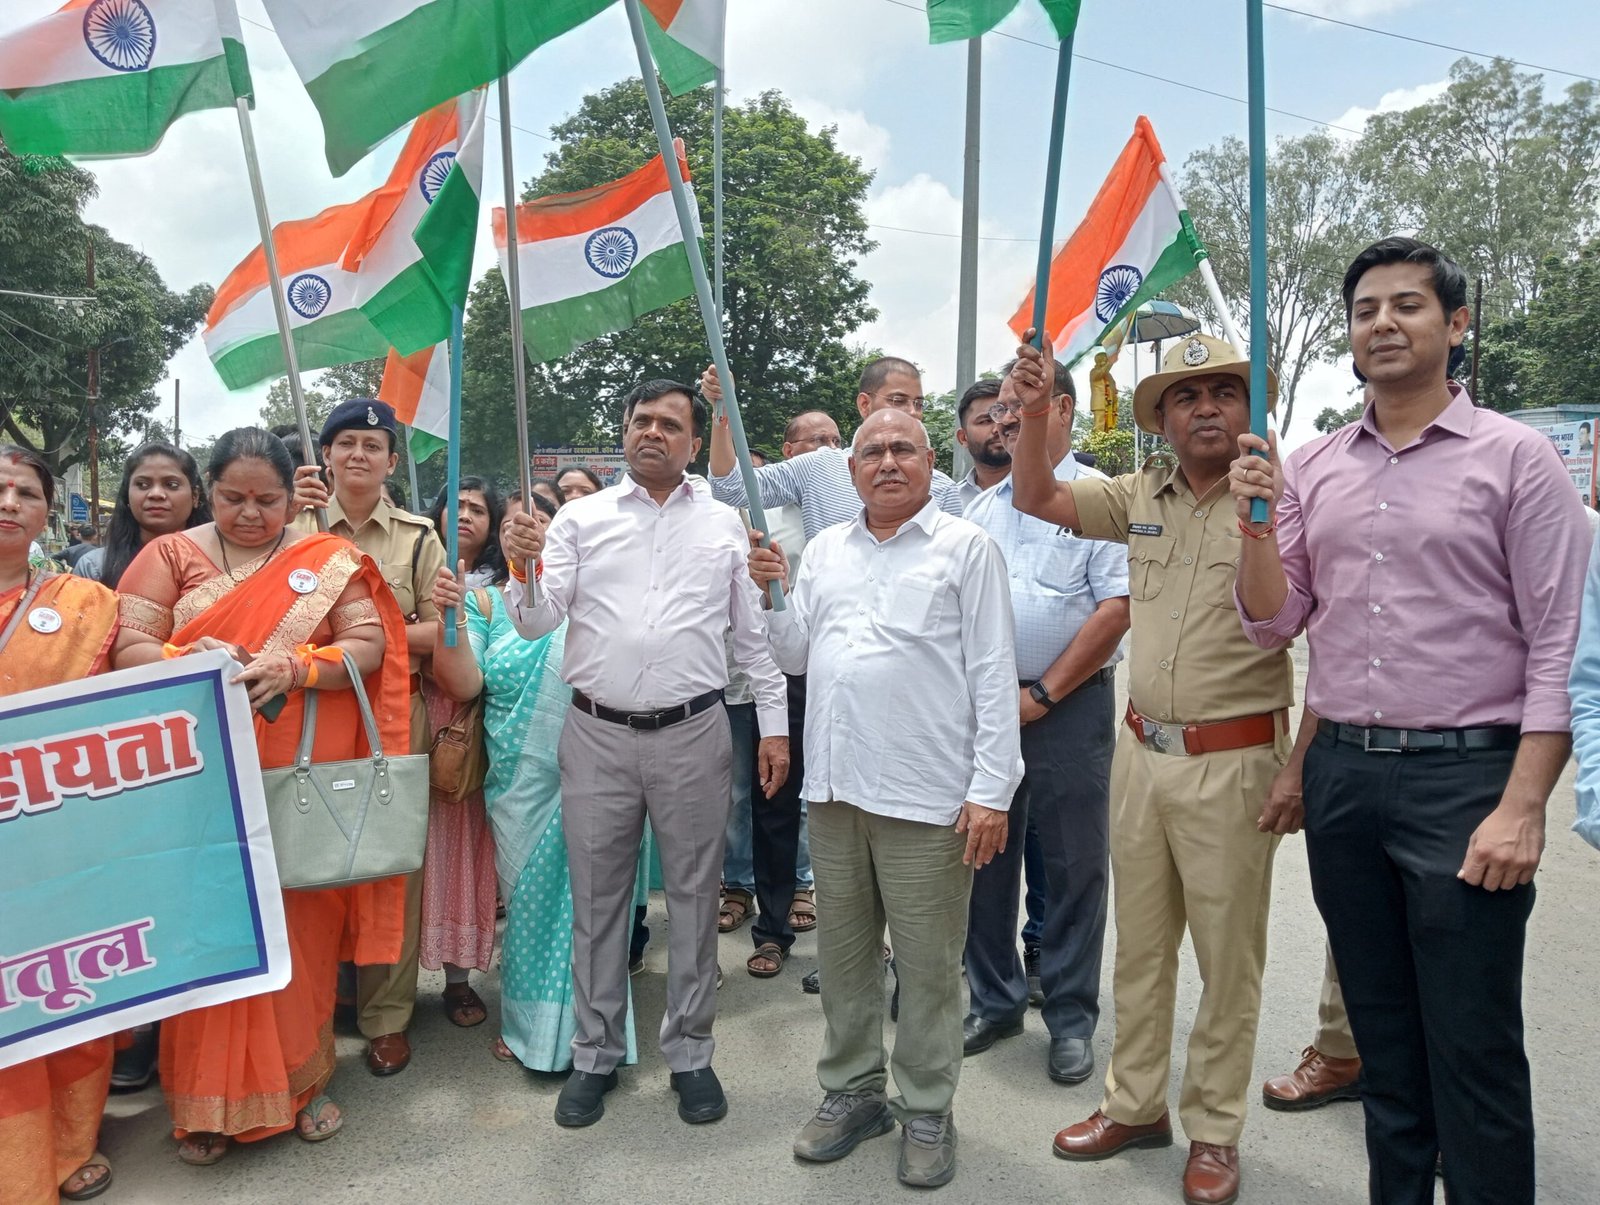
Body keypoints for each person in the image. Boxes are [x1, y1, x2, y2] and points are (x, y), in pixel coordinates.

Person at [1231, 236, 1586, 1205]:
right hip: (1347, 779)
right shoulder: (1308, 465)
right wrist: (1256, 522)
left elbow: (1557, 643)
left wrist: (1522, 805)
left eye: (1406, 305)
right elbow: (1274, 620)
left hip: (1466, 782)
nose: (1381, 323)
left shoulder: (1517, 458)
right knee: (1383, 1042)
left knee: (1469, 1047)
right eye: (1364, 309)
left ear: (1455, 324)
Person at [1010, 330, 1294, 1205]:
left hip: (1234, 758)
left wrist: (1260, 518)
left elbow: (1273, 616)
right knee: (1139, 948)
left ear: (1249, 409)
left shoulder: (1287, 496)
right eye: (1185, 396)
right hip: (1142, 749)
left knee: (1226, 961)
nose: (1205, 407)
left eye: (1222, 392)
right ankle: (1133, 1102)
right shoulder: (1138, 492)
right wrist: (1029, 411)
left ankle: (1214, 1129)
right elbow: (1036, 493)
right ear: (1162, 418)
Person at [113, 427, 410, 1166]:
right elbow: (126, 649)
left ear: (292, 494)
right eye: (233, 497)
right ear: (208, 490)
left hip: (293, 780)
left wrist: (301, 665)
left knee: (295, 930)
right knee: (212, 930)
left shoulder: (323, 559)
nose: (250, 513)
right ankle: (206, 1108)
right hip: (198, 780)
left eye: (268, 500)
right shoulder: (169, 555)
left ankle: (300, 1087)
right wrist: (189, 656)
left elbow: (369, 647)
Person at [500, 379, 789, 1129]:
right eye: (640, 421)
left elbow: (752, 638)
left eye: (669, 423)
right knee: (599, 903)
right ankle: (594, 1053)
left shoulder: (727, 525)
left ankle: (691, 1052)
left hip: (695, 731)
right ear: (623, 431)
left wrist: (777, 726)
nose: (651, 432)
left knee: (695, 902)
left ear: (694, 443)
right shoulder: (578, 518)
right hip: (596, 732)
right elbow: (535, 622)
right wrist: (520, 567)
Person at [749, 408, 1022, 1189]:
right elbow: (797, 651)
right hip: (836, 790)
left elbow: (994, 676)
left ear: (931, 460)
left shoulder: (966, 548)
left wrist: (990, 791)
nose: (888, 462)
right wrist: (772, 593)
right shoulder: (827, 549)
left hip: (927, 794)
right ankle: (853, 1092)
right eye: (872, 451)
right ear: (852, 468)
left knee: (931, 966)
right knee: (842, 959)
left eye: (904, 448)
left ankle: (928, 1105)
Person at [961, 360, 1129, 1085]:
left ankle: (1068, 1014)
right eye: (998, 410)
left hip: (1069, 707)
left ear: (1062, 406)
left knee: (1071, 867)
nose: (1005, 421)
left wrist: (1045, 695)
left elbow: (1116, 608)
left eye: (1020, 406)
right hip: (987, 710)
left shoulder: (1101, 499)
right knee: (984, 861)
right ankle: (994, 999)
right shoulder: (980, 512)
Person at [292, 399, 447, 1077]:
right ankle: (314, 1011)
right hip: (309, 715)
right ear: (324, 455)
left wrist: (350, 639)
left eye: (373, 444)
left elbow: (438, 634)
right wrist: (386, 634)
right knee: (312, 859)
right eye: (345, 442)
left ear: (391, 460)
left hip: (396, 716)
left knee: (391, 864)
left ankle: (387, 1017)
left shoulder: (417, 538)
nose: (359, 454)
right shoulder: (293, 528)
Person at [0, 444, 123, 1204]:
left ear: (49, 512)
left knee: (61, 985)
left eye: (24, 492)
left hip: (57, 837)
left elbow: (121, 705)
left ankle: (69, 1143)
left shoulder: (86, 604)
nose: (8, 501)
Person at [416, 477, 507, 1030]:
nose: (467, 516)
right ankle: (390, 986)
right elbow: (379, 632)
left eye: (480, 509)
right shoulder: (414, 563)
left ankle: (457, 981)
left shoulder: (505, 585)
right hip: (410, 712)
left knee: (461, 855)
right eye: (459, 506)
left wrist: (432, 632)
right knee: (409, 856)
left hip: (469, 731)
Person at [77, 442, 210, 589]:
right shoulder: (94, 568)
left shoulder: (221, 565)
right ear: (127, 496)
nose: (156, 494)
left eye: (171, 485)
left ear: (195, 496)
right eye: (142, 485)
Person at [953, 379, 1009, 509]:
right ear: (963, 438)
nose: (997, 429)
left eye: (1003, 417)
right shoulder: (951, 501)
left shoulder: (1044, 495)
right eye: (985, 421)